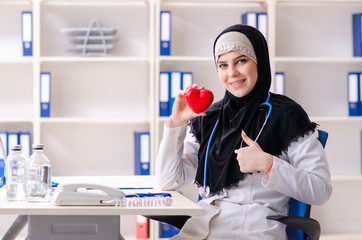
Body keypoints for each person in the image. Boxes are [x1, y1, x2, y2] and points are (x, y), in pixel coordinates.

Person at [155, 24, 332, 239]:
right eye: (222, 65)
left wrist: (269, 165)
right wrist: (176, 125)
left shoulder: (287, 116)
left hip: (254, 230)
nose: (232, 73)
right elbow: (168, 181)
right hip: (204, 227)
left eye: (241, 61)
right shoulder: (209, 117)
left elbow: (321, 190)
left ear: (259, 61)